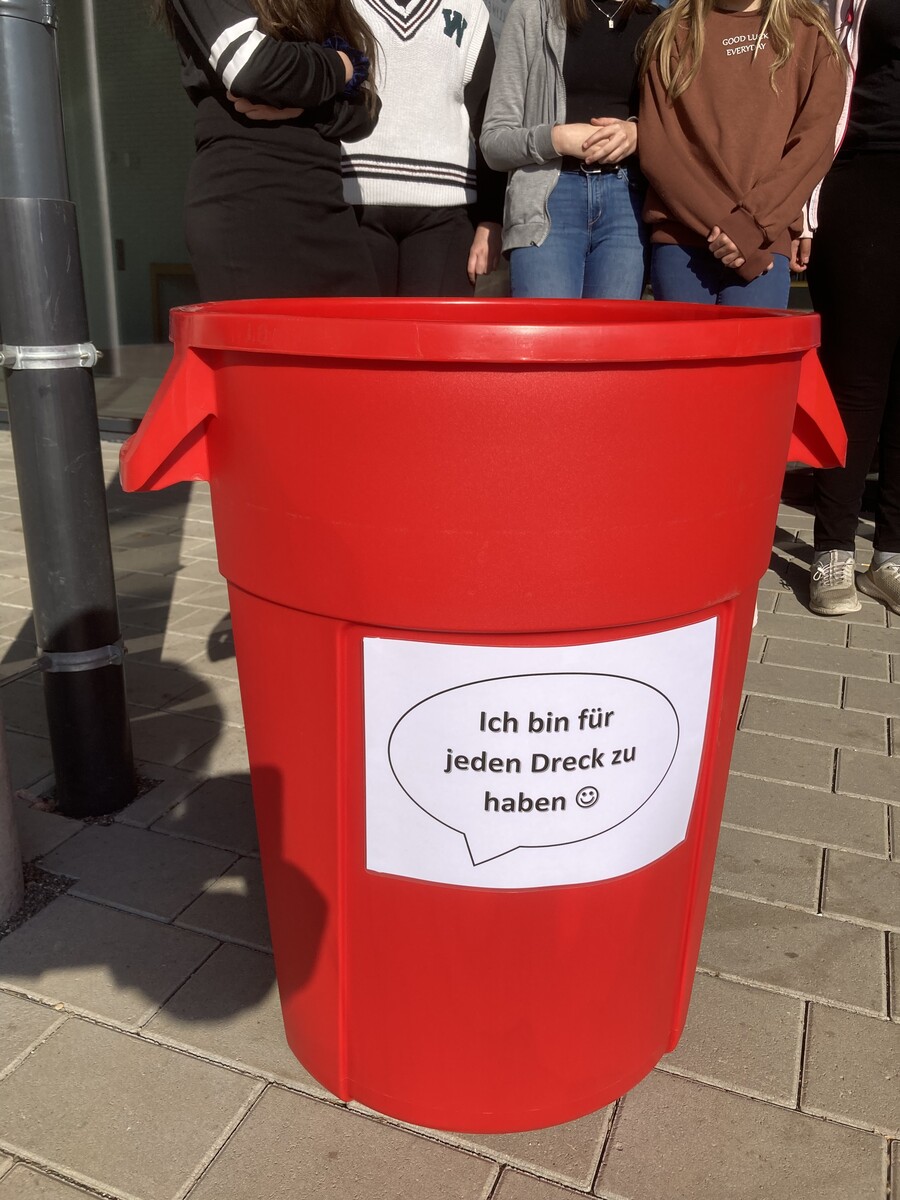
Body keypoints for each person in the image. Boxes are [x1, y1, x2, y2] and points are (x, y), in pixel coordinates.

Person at [153, 0, 380, 300]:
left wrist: (303, 104)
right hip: (249, 204)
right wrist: (341, 65)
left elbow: (366, 108)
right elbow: (252, 67)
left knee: (361, 327)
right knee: (265, 330)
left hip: (328, 204)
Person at [638, 0, 846, 308]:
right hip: (683, 242)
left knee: (753, 342)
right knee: (686, 343)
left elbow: (813, 147)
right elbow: (660, 149)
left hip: (764, 243)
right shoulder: (673, 31)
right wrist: (737, 232)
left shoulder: (810, 32)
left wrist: (753, 225)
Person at [802, 0, 900, 616]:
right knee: (856, 378)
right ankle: (834, 546)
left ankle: (891, 555)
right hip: (866, 173)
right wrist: (804, 205)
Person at [480, 0, 660, 300]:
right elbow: (494, 141)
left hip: (626, 205)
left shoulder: (657, 22)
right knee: (547, 330)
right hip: (547, 202)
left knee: (613, 331)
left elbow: (678, 132)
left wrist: (639, 134)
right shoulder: (534, 12)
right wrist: (557, 139)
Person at [339, 0, 505, 296]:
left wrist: (490, 217)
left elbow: (486, 116)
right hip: (354, 203)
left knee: (433, 327)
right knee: (360, 327)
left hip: (446, 210)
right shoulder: (339, 5)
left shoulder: (469, 7)